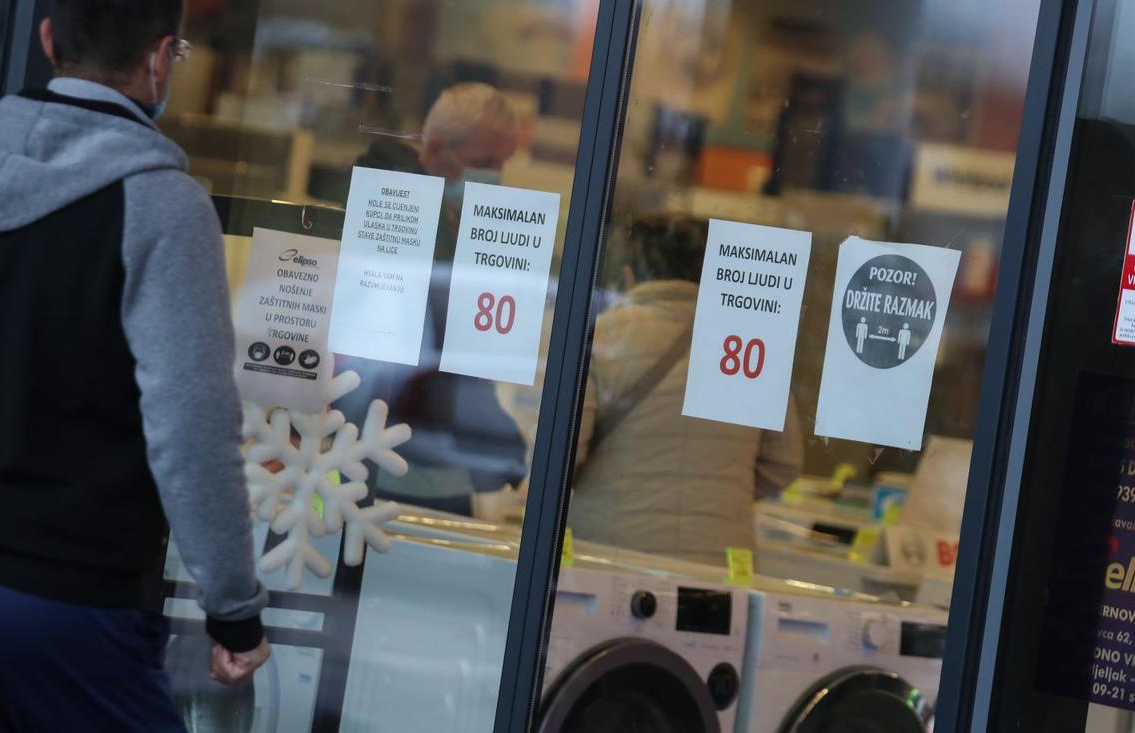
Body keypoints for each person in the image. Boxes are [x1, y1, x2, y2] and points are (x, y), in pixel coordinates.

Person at [0, 0, 269, 731]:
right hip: (66, 601)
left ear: (48, 40)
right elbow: (190, 423)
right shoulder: (162, 206)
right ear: (159, 58)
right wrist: (233, 610)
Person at [334, 83, 528, 514]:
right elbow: (433, 356)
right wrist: (500, 443)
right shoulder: (390, 215)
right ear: (437, 149)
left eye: (502, 163)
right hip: (383, 466)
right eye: (485, 163)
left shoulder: (456, 221)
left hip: (435, 468)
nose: (496, 175)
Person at [570, 214, 803, 565]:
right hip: (718, 561)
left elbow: (565, 455)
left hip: (611, 553)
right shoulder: (748, 344)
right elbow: (783, 462)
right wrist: (718, 493)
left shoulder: (602, 336)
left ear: (628, 275)